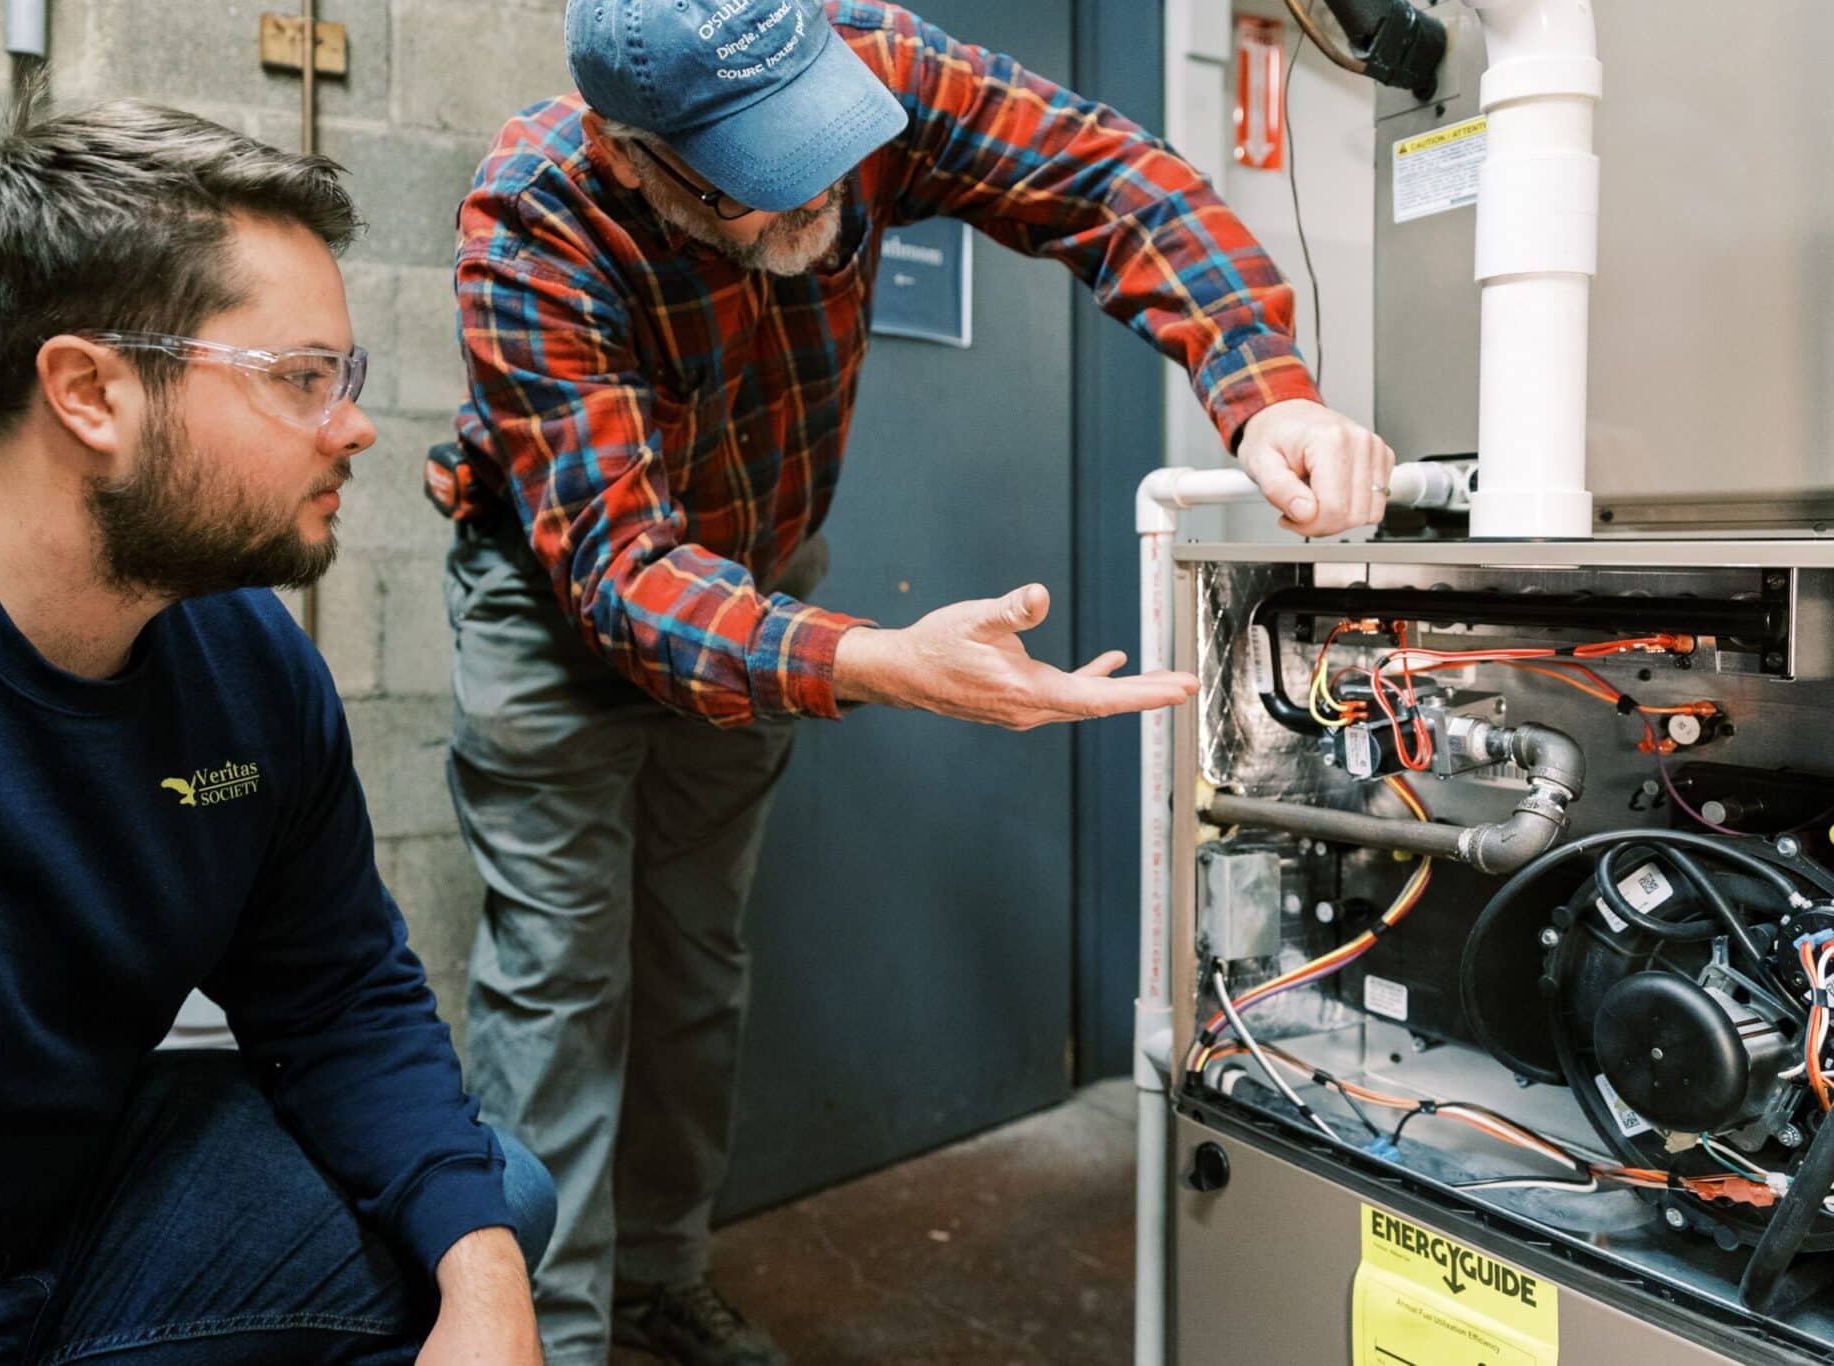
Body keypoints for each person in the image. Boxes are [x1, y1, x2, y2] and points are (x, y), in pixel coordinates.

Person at [443, 3, 1395, 1360]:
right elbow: (623, 576)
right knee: (559, 987)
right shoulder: (537, 220)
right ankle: (559, 1336)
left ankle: (658, 1282)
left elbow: (1106, 174)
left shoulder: (861, 58)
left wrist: (1264, 385)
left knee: (698, 961)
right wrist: (883, 661)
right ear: (632, 154)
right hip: (558, 614)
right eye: (767, 177)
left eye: (827, 145)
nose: (827, 192)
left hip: (761, 578)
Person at [0, 95, 554, 1366]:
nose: (353, 424)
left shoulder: (250, 659)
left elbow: (341, 997)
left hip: (76, 1227)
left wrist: (488, 1296)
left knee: (488, 1204)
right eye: (302, 379)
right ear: (89, 391)